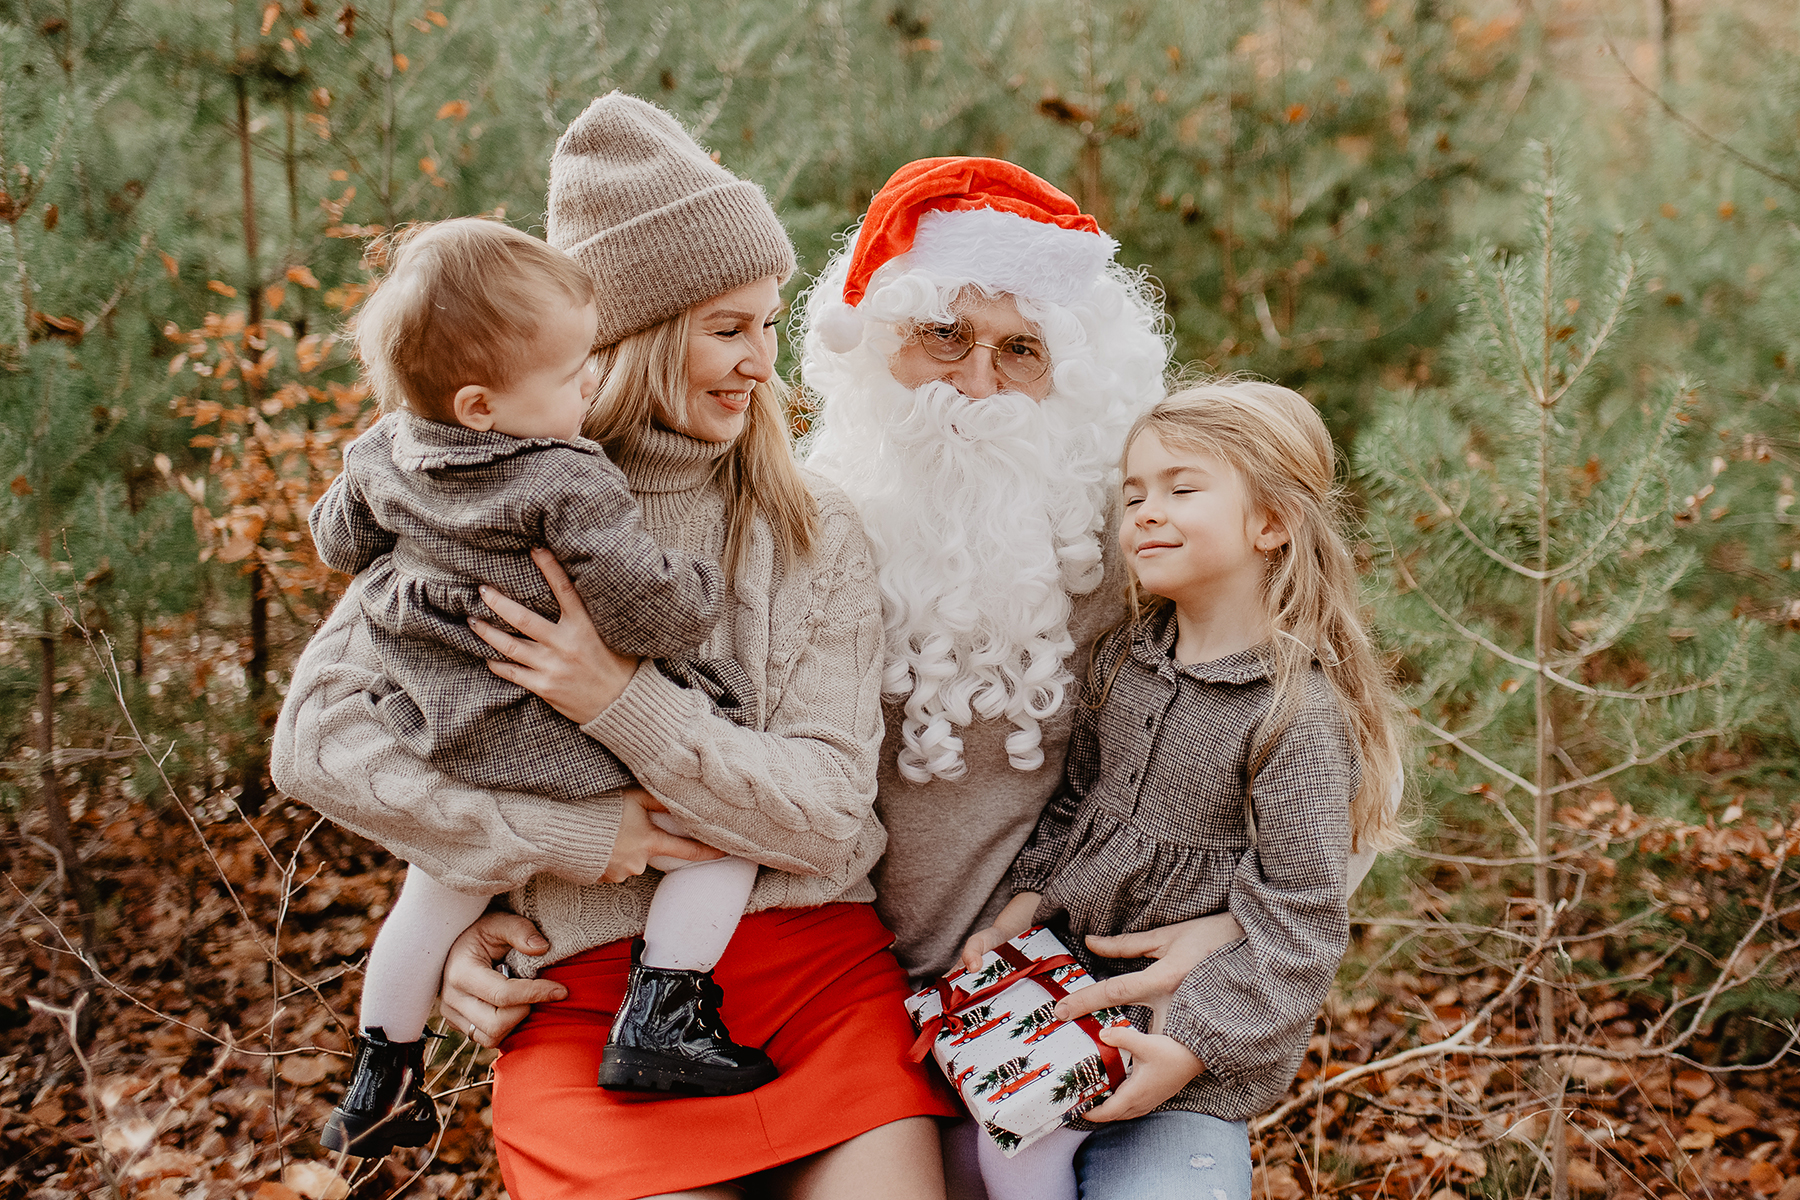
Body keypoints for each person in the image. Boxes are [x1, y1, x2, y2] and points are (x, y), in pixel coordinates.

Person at [273, 92, 958, 1199]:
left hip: (810, 981)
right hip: (576, 995)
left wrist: (615, 698)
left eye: (768, 325)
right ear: (625, 339)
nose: (759, 365)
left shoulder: (812, 527)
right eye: (725, 330)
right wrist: (557, 836)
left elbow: (831, 809)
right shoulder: (475, 509)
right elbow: (318, 745)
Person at [300, 216, 781, 1158]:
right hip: (550, 730)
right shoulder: (567, 478)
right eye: (573, 376)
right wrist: (700, 591)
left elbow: (337, 542)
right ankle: (663, 1018)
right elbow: (646, 615)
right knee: (720, 833)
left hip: (440, 723)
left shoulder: (383, 450)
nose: (591, 382)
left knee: (435, 886)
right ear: (481, 405)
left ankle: (378, 1081)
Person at [955, 382, 1407, 1200]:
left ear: (1271, 522)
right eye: (1134, 495)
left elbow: (1300, 918)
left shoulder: (1289, 714)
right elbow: (1076, 804)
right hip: (1060, 1014)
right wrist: (1019, 908)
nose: (1146, 513)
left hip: (1180, 1049)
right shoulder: (1121, 661)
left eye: (1182, 488)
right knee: (1004, 1163)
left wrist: (1195, 1046)